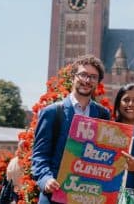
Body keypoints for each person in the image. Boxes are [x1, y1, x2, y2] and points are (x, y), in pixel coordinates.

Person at [32, 54, 111, 204]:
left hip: (88, 194)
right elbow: (39, 155)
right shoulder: (52, 112)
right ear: (73, 77)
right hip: (55, 193)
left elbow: (105, 154)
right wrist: (46, 179)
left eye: (93, 77)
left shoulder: (102, 114)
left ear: (97, 82)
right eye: (83, 75)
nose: (87, 80)